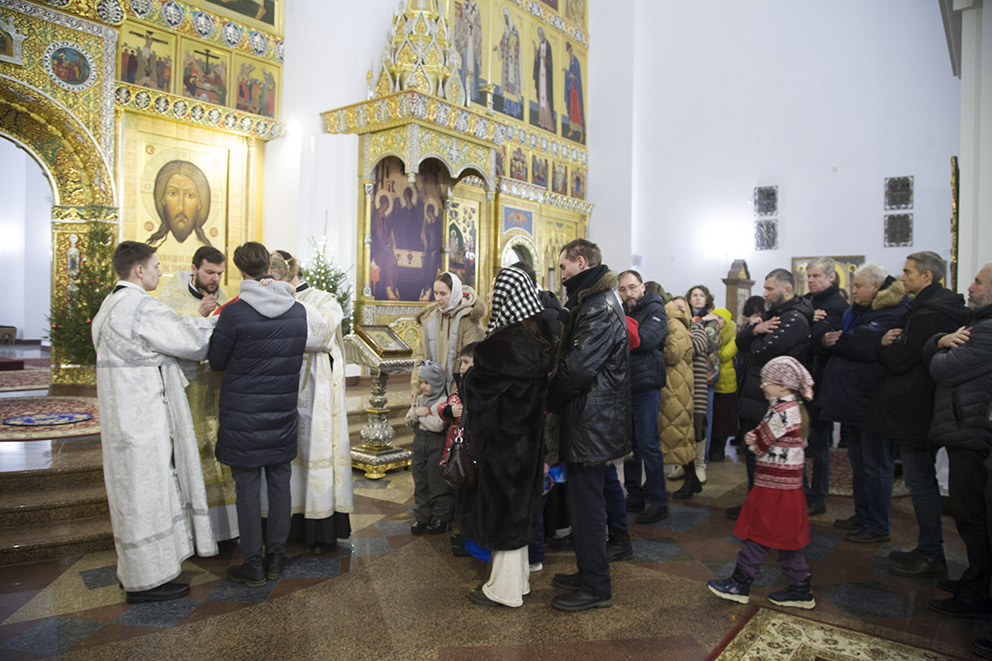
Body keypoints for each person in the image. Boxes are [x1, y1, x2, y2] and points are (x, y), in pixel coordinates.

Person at [92, 241, 218, 603]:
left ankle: (133, 570)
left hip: (120, 418)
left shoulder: (108, 305)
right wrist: (222, 321)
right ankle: (148, 581)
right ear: (139, 270)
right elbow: (191, 340)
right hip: (144, 418)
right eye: (156, 266)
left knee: (130, 492)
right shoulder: (141, 306)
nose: (160, 272)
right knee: (148, 491)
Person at [208, 242, 308, 587]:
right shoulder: (297, 312)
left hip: (243, 416)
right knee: (280, 482)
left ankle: (252, 564)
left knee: (247, 488)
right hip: (281, 412)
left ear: (240, 271)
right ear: (269, 265)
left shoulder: (234, 313)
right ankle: (276, 558)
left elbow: (216, 361)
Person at [456, 266, 555, 607]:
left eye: (495, 290)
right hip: (528, 438)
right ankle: (519, 581)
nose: (491, 294)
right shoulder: (540, 336)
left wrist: (467, 378)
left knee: (503, 512)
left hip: (500, 439)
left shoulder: (499, 345)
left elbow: (477, 395)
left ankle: (505, 590)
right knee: (520, 507)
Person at [868, 251, 968, 576]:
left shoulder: (930, 313)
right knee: (921, 479)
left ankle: (931, 554)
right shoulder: (933, 306)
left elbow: (899, 359)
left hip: (918, 407)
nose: (902, 277)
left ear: (927, 276)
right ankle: (927, 548)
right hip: (923, 404)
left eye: (908, 272)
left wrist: (886, 347)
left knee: (920, 481)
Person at [546, 239, 630, 612]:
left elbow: (580, 368)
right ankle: (587, 571)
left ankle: (596, 585)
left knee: (588, 506)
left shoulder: (598, 306)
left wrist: (548, 397)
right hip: (589, 418)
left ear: (580, 262)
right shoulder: (594, 300)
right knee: (582, 503)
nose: (561, 275)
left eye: (564, 267)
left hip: (592, 421)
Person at [707, 356, 816, 610]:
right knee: (787, 541)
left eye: (767, 381)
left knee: (757, 534)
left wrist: (750, 439)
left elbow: (759, 444)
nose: (762, 385)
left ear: (784, 385)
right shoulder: (795, 409)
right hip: (789, 490)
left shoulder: (781, 412)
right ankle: (800, 588)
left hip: (773, 488)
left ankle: (740, 584)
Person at [817, 264, 908, 545]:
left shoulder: (893, 310)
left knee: (876, 465)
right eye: (853, 285)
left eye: (858, 286)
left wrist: (845, 340)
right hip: (854, 400)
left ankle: (878, 524)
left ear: (877, 287)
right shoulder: (859, 311)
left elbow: (863, 345)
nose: (853, 291)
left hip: (873, 401)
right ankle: (863, 514)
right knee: (858, 462)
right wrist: (838, 339)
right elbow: (850, 339)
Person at [269, 250, 353, 555]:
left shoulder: (322, 300)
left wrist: (290, 302)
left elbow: (323, 334)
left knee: (312, 456)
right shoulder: (270, 298)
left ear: (288, 273)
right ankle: (283, 525)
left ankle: (319, 529)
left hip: (315, 398)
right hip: (279, 392)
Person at [925, 263, 992, 624]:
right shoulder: (976, 323)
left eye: (978, 282)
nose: (971, 287)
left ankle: (978, 592)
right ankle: (974, 580)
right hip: (964, 426)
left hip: (972, 429)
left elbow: (942, 369)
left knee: (973, 516)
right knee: (969, 516)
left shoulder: (987, 331)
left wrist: (938, 349)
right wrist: (939, 341)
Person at [158, 246, 238, 542]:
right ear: (194, 269)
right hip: (188, 392)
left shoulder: (224, 298)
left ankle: (226, 528)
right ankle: (193, 530)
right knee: (194, 450)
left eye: (219, 273)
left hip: (216, 390)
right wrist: (199, 314)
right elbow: (168, 335)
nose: (215, 279)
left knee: (220, 451)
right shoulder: (172, 297)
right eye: (209, 272)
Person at [728, 270, 813, 518]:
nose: (764, 294)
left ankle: (785, 510)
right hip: (756, 392)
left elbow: (762, 351)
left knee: (779, 455)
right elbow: (741, 343)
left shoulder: (795, 319)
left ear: (787, 289)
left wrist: (755, 337)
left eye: (769, 289)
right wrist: (755, 330)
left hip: (775, 396)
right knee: (754, 452)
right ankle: (755, 504)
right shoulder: (773, 314)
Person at [618, 270, 669, 523]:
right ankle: (635, 495)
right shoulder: (622, 311)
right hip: (625, 386)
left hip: (646, 386)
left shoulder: (655, 309)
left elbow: (645, 340)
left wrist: (619, 330)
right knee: (630, 446)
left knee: (648, 444)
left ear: (642, 287)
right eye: (622, 289)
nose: (628, 293)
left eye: (632, 287)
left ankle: (659, 501)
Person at [803, 257, 848, 517]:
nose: (811, 280)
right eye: (808, 276)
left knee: (819, 444)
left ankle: (818, 496)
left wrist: (806, 326)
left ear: (831, 277)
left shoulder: (837, 305)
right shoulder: (807, 301)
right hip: (802, 379)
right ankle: (799, 491)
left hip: (821, 381)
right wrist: (808, 321)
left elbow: (815, 340)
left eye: (816, 276)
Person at [410, 271, 486, 398]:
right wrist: (417, 387)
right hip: (431, 391)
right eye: (435, 293)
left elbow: (472, 361)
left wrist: (460, 394)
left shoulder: (469, 319)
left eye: (443, 293)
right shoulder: (430, 318)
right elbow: (421, 356)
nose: (438, 298)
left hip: (458, 392)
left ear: (454, 292)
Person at [405, 360, 453, 535]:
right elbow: (408, 421)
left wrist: (418, 414)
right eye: (421, 383)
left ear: (437, 382)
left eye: (427, 383)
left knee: (436, 481)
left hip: (436, 443)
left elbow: (438, 425)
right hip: (419, 442)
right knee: (420, 479)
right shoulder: (420, 399)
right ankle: (422, 516)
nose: (423, 387)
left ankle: (440, 516)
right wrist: (419, 412)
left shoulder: (443, 401)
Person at [660, 298, 697, 498]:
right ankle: (692, 479)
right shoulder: (675, 322)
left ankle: (691, 480)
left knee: (679, 434)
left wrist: (655, 348)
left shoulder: (673, 323)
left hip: (676, 385)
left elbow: (673, 354)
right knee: (675, 433)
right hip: (676, 384)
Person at [687, 285, 721, 486]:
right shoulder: (689, 317)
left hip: (706, 376)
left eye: (701, 295)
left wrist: (697, 323)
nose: (698, 299)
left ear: (707, 299)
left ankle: (702, 462)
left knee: (703, 420)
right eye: (694, 295)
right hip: (687, 375)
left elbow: (707, 343)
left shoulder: (712, 320)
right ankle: (686, 463)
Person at [147, 160, 212, 247]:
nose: (181, 207)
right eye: (173, 193)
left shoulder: (205, 248)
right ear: (162, 199)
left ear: (200, 203)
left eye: (189, 195)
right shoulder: (151, 247)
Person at [709, 307, 737, 462]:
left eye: (720, 318)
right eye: (715, 317)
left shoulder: (732, 336)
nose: (717, 320)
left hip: (726, 383)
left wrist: (712, 350)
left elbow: (725, 355)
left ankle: (720, 448)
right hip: (712, 381)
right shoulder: (710, 332)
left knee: (724, 419)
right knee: (713, 418)